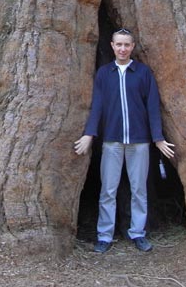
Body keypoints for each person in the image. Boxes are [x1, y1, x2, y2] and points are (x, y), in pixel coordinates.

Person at [74, 28, 175, 253]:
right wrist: (89, 135)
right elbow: (97, 106)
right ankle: (104, 236)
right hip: (111, 141)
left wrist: (158, 138)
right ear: (112, 45)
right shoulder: (104, 73)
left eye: (126, 45)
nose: (122, 49)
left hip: (139, 141)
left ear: (132, 47)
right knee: (108, 190)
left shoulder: (143, 73)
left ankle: (138, 233)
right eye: (118, 44)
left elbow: (152, 107)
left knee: (139, 189)